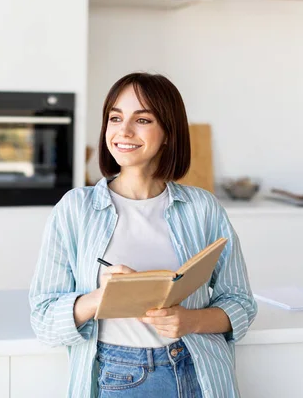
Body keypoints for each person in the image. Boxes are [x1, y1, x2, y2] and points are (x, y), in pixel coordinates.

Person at [29, 72, 257, 398]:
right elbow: (44, 319)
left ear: (168, 133)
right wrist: (99, 297)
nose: (124, 131)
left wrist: (190, 321)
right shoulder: (75, 210)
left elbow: (241, 305)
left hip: (200, 373)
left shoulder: (203, 208)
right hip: (118, 376)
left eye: (142, 119)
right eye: (115, 118)